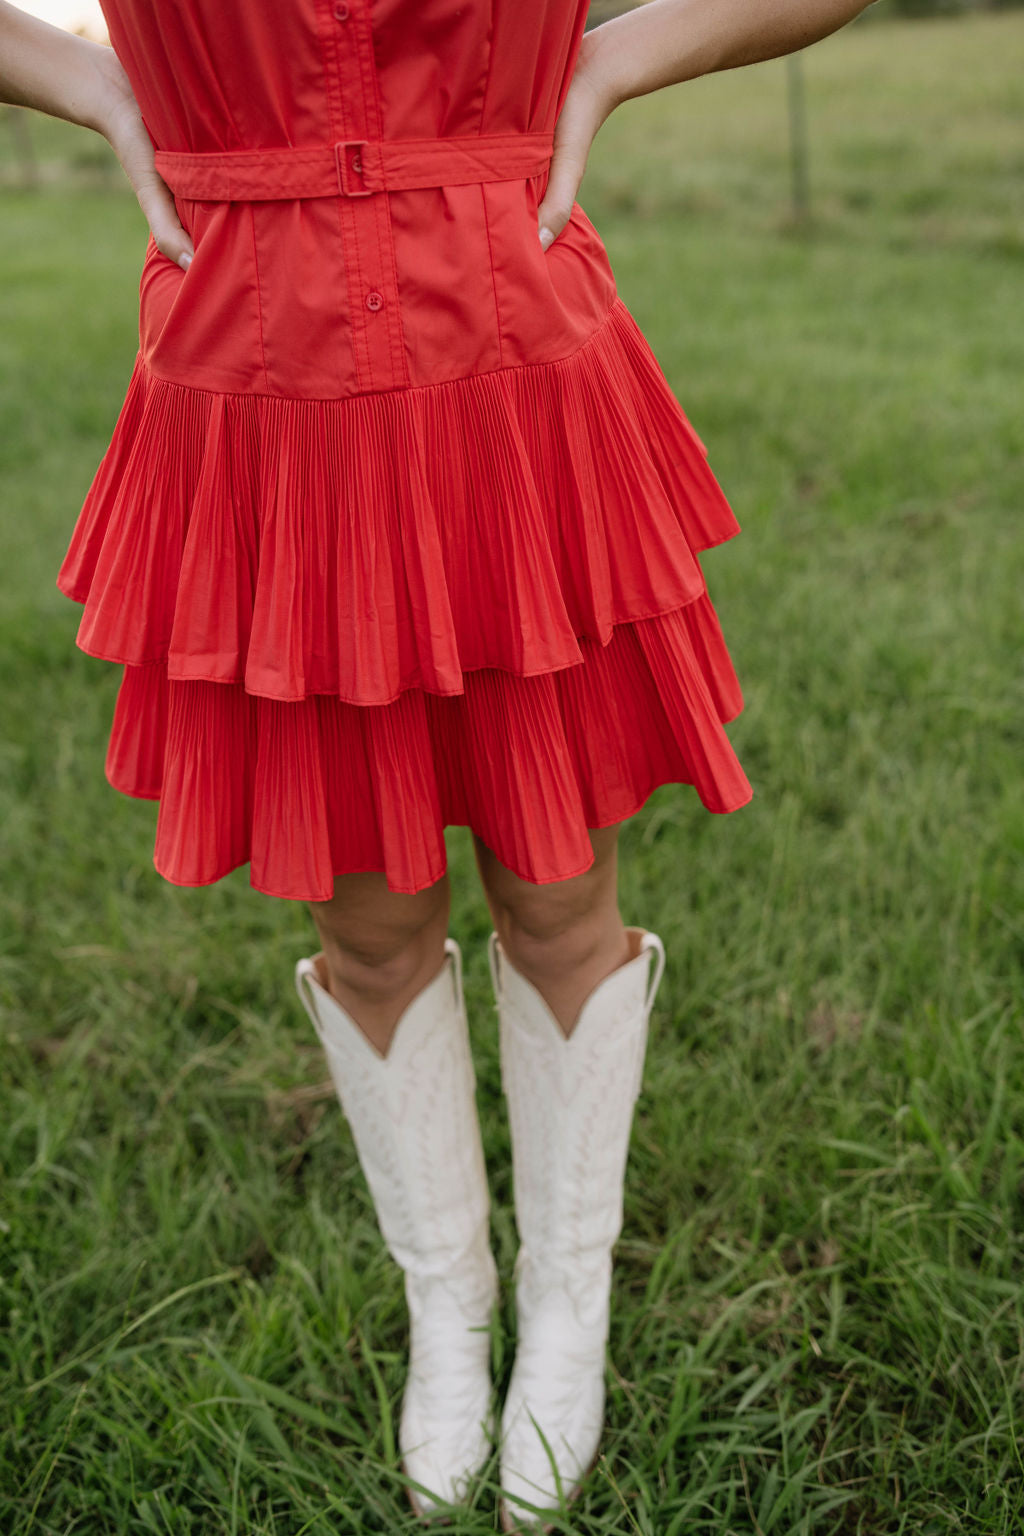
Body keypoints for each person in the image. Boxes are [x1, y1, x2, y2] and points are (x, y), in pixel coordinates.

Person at [1, 0, 874, 1528]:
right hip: (257, 397)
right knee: (366, 917)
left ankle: (564, 1318)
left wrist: (609, 56)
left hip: (510, 374)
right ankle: (450, 1316)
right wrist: (86, 75)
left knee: (556, 886)